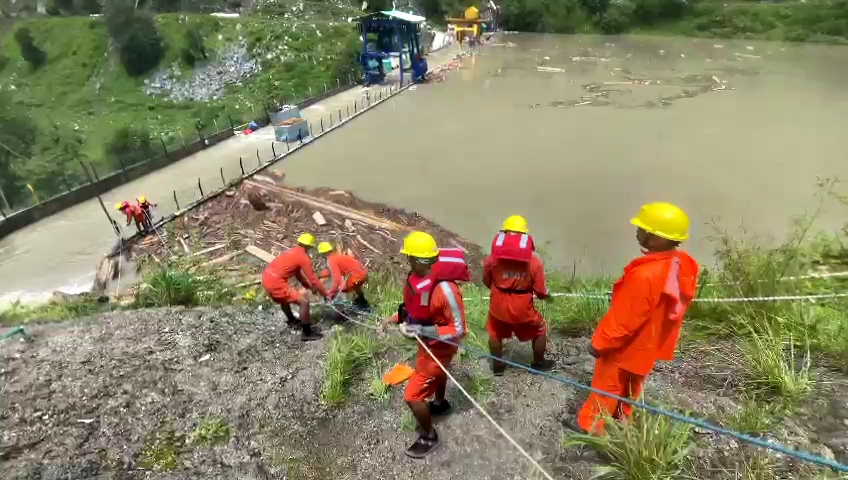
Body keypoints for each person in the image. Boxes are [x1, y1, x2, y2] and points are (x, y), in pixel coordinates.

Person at [567, 202, 699, 435]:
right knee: (631, 386)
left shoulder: (645, 275)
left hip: (624, 347)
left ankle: (590, 426)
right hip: (648, 344)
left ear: (654, 237)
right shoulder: (681, 265)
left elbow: (624, 320)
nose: (637, 231)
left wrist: (599, 343)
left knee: (606, 385)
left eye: (641, 228)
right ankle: (623, 421)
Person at [390, 231, 470, 459]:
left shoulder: (446, 291)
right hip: (426, 343)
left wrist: (421, 330)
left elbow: (459, 329)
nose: (406, 259)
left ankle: (429, 436)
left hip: (440, 348)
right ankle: (440, 403)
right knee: (437, 376)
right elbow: (414, 307)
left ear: (415, 259)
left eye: (408, 256)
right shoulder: (416, 279)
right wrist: (394, 319)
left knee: (413, 397)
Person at [484, 215, 555, 376]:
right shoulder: (534, 262)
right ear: (525, 235)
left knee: (494, 333)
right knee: (540, 330)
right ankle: (538, 364)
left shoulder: (492, 259)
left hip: (498, 304)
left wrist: (498, 290)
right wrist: (545, 296)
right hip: (522, 307)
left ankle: (498, 367)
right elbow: (541, 291)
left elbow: (486, 280)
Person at [261, 233, 331, 342]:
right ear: (310, 246)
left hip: (266, 277)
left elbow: (299, 275)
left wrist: (309, 287)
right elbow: (314, 279)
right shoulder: (303, 258)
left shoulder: (292, 252)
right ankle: (306, 333)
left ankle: (291, 321)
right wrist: (325, 294)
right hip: (275, 281)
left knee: (284, 299)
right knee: (303, 302)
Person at [316, 242, 370, 310]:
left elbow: (337, 278)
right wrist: (320, 275)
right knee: (355, 285)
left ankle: (341, 308)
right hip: (364, 274)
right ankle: (362, 302)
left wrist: (331, 293)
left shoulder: (331, 260)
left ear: (323, 253)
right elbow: (329, 271)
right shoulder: (338, 256)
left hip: (357, 277)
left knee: (342, 288)